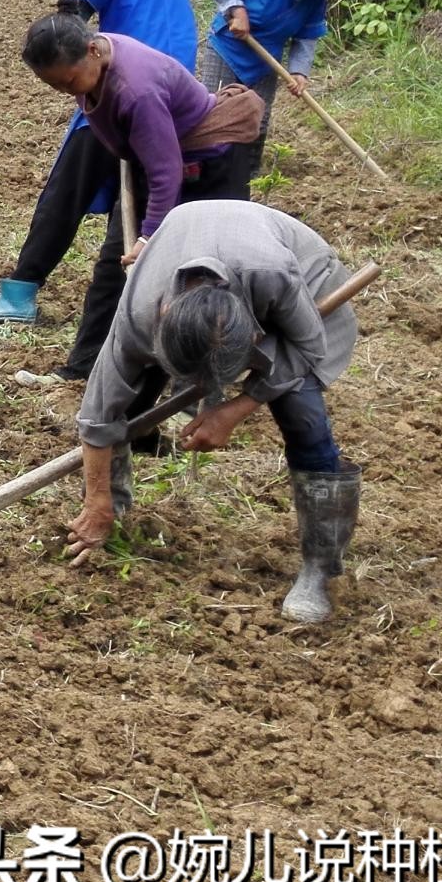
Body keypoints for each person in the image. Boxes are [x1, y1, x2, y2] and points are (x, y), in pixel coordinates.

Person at [65, 201, 362, 624]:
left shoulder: (274, 275)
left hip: (304, 280)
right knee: (126, 401)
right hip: (192, 246)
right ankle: (114, 512)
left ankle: (321, 569)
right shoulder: (139, 310)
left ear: (256, 332)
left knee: (302, 414)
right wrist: (97, 499)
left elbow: (308, 346)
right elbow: (98, 412)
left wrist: (236, 409)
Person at [0, 0, 199, 327]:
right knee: (138, 202)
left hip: (119, 89)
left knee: (66, 189)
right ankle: (135, 305)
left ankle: (22, 291)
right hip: (172, 103)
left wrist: (68, 28)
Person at [17, 14, 265, 388]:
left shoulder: (137, 90)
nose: (66, 91)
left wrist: (149, 236)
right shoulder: (93, 62)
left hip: (207, 167)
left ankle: (198, 386)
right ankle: (83, 367)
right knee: (113, 266)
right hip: (151, 160)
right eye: (54, 85)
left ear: (93, 50)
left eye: (69, 81)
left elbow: (167, 172)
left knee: (200, 275)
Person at [199, 0, 382, 179]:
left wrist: (299, 73)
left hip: (265, 59)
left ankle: (245, 177)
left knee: (257, 120)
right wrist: (236, 11)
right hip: (229, 46)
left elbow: (306, 36)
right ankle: (205, 171)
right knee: (216, 109)